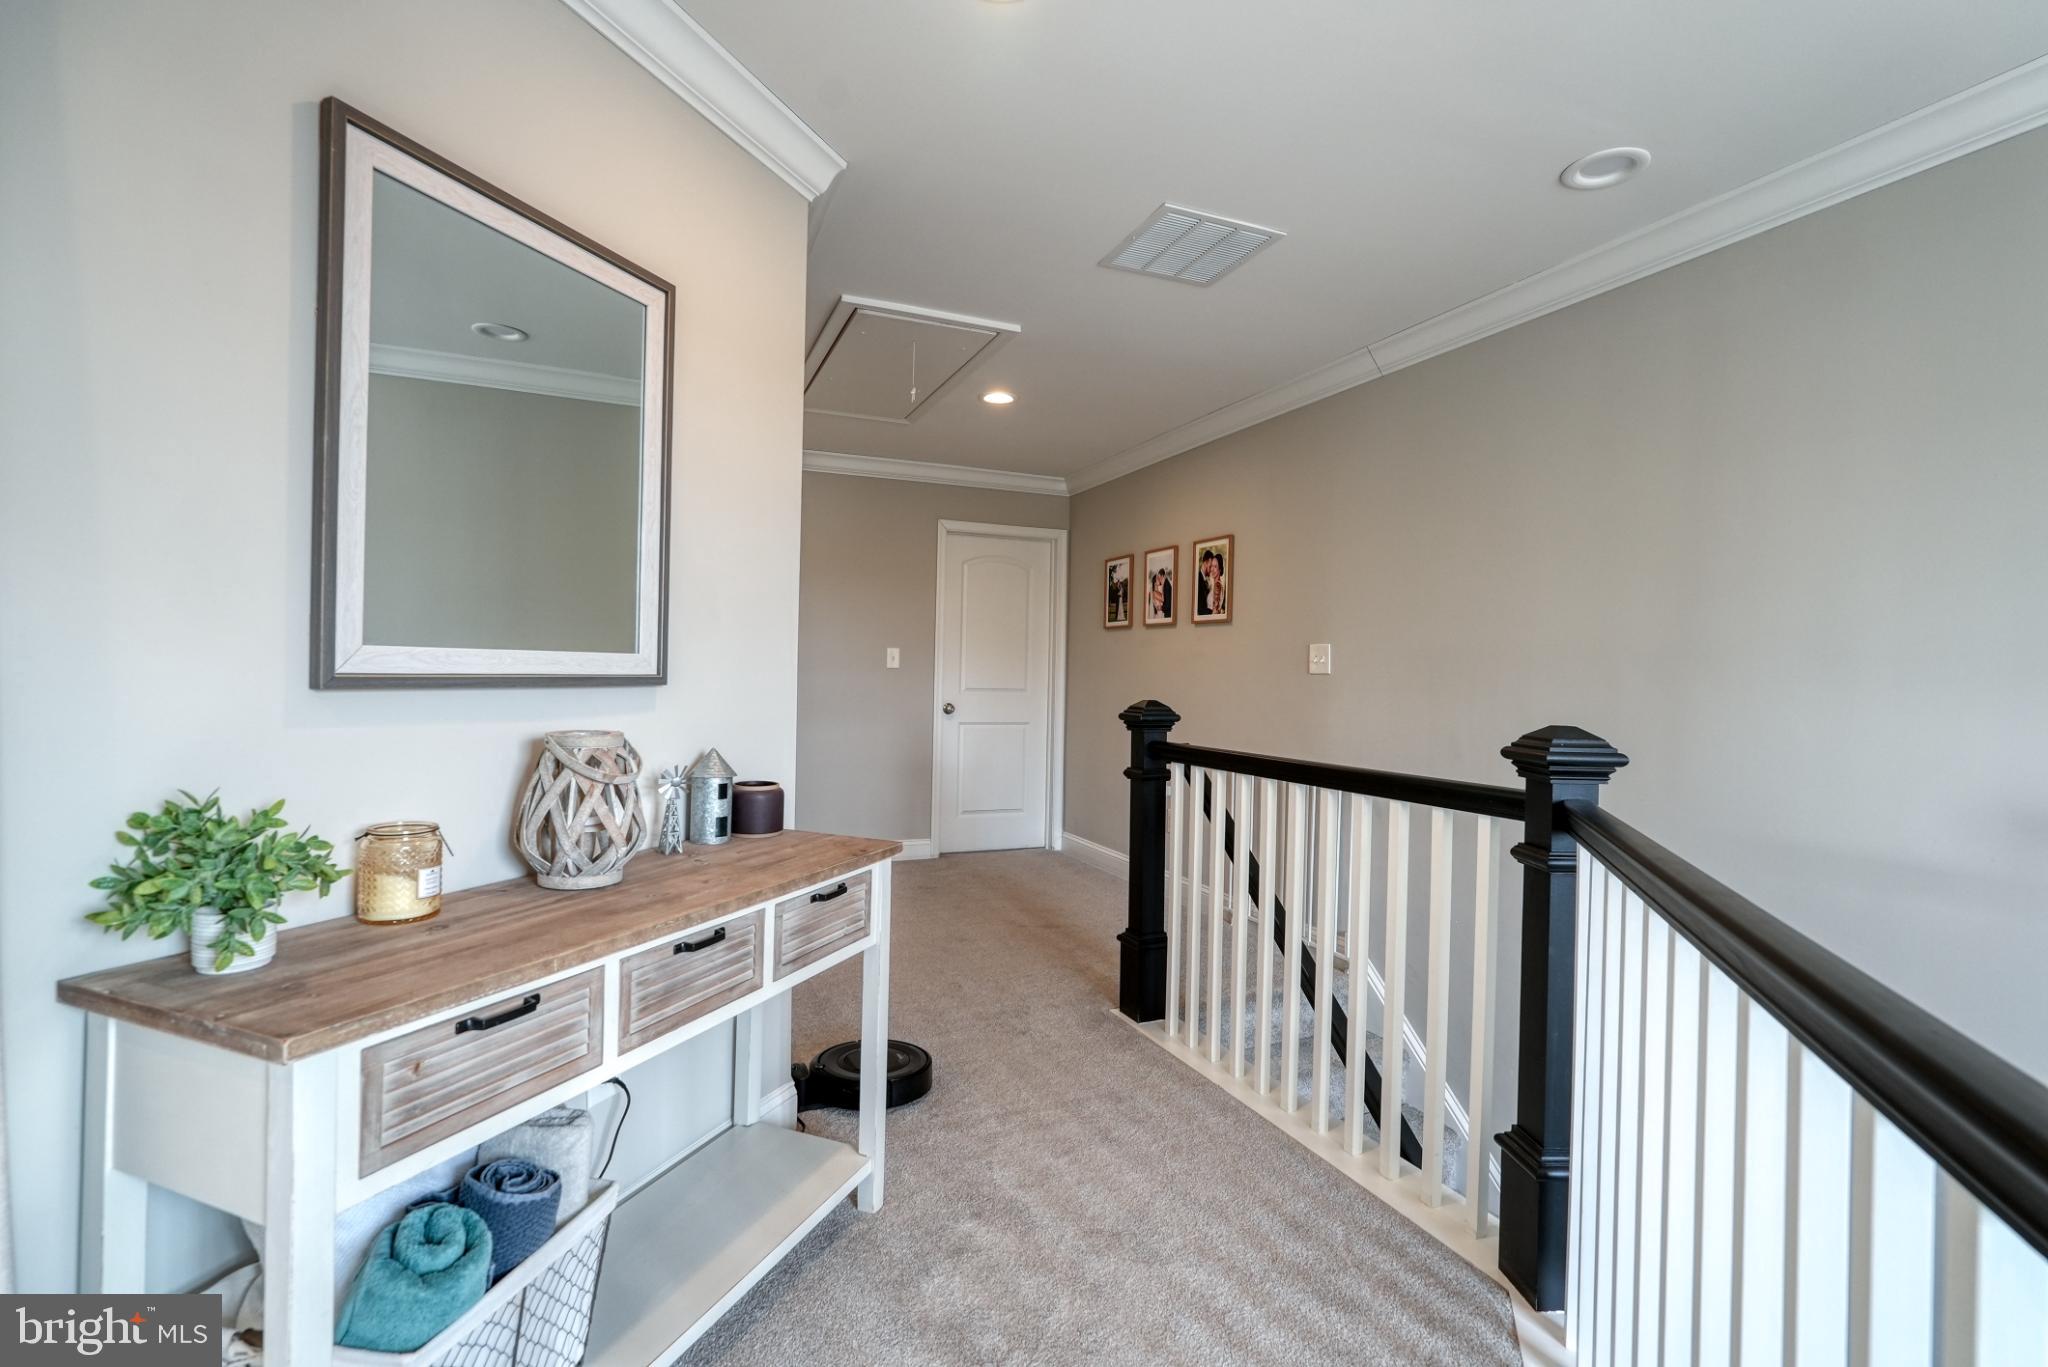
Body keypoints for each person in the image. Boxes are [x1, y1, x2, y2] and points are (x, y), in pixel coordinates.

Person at [1197, 548, 1226, 617]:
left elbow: (1215, 612)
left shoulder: (1217, 585)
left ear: (1220, 569)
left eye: (1215, 566)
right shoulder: (1213, 585)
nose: (1212, 569)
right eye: (1211, 566)